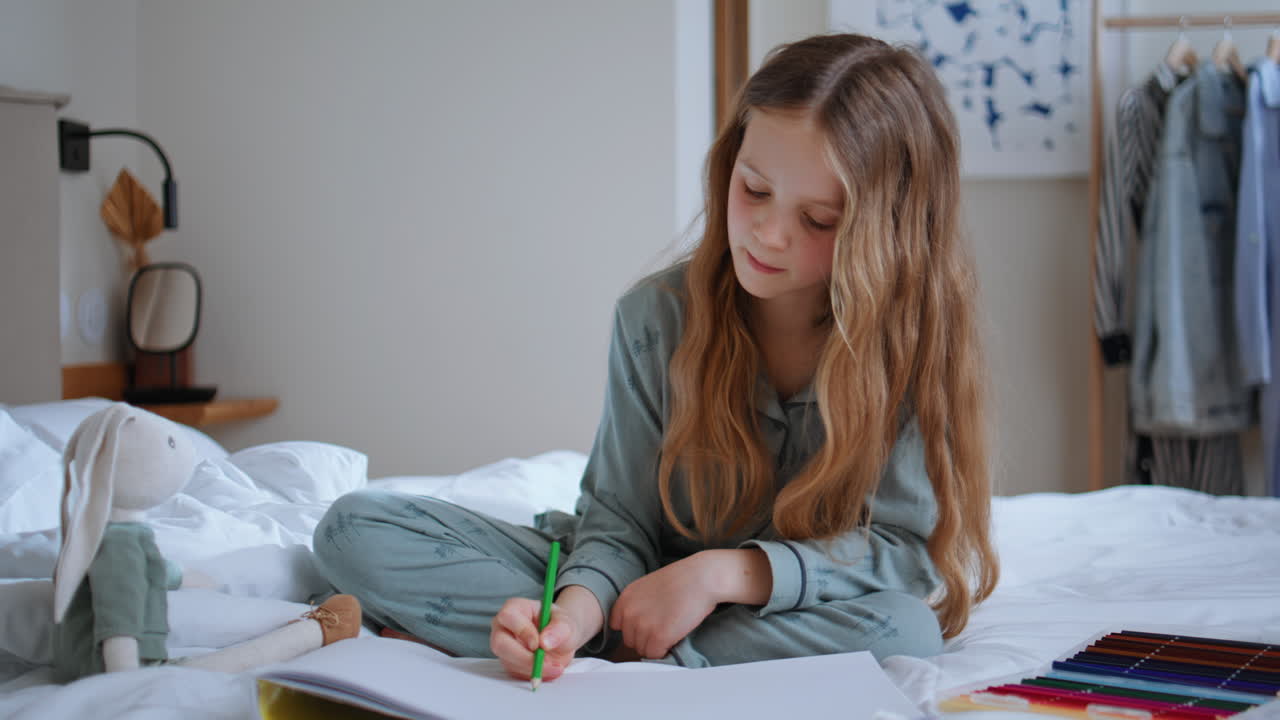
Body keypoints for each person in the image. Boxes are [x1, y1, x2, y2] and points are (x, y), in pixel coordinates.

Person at [312, 31, 998, 683]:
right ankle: (610, 647)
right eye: (753, 189)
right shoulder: (656, 319)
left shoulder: (908, 347)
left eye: (817, 220)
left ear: (885, 231)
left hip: (785, 601)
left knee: (905, 630)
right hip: (628, 584)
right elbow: (620, 519)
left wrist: (722, 575)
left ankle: (645, 657)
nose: (767, 232)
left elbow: (905, 559)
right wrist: (569, 619)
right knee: (350, 529)